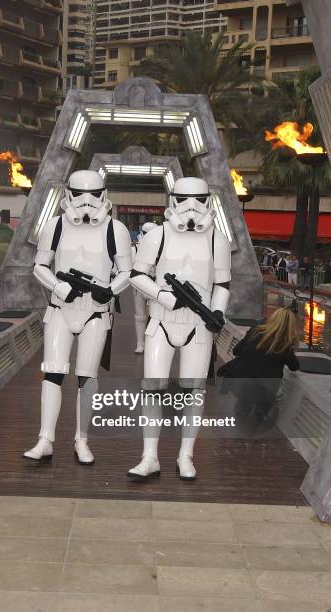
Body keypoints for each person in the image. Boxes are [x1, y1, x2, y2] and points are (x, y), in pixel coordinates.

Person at [23, 170, 132, 463]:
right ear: (68, 194)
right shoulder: (55, 226)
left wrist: (108, 291)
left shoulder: (115, 230)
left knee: (88, 378)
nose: (87, 202)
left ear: (104, 195)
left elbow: (127, 273)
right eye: (80, 194)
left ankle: (81, 439)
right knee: (53, 373)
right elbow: (39, 265)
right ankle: (45, 438)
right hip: (60, 309)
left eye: (94, 194)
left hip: (95, 314)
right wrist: (59, 286)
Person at [128, 177, 231, 480]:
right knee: (153, 390)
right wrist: (163, 296)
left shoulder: (217, 239)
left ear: (208, 201)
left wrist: (216, 312)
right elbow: (136, 274)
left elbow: (223, 284)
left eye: (199, 200)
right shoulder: (157, 235)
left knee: (193, 393)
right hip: (161, 321)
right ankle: (149, 456)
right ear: (173, 200)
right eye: (185, 199)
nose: (191, 207)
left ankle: (186, 455)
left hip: (198, 326)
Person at [219, 307, 299, 422]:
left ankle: (243, 407)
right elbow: (294, 367)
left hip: (239, 383)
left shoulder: (256, 330)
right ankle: (262, 410)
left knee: (250, 379)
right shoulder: (284, 343)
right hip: (265, 390)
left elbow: (236, 351)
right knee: (273, 380)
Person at [132, 222, 158, 353]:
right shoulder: (136, 248)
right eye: (146, 233)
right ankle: (140, 343)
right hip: (139, 285)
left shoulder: (162, 247)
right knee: (140, 316)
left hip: (155, 285)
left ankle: (150, 343)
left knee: (154, 315)